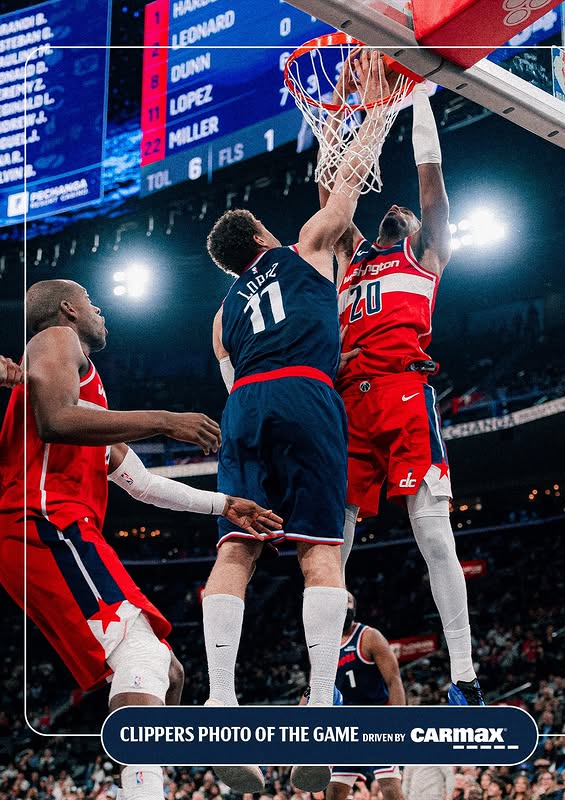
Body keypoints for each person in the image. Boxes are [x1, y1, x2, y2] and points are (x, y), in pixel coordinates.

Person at [0, 279, 282, 800]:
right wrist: (165, 421)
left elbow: (145, 486)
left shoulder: (87, 396)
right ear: (67, 310)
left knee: (167, 672)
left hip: (49, 530)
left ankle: (177, 757)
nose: (100, 311)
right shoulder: (55, 340)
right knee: (144, 657)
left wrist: (226, 505)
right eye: (91, 302)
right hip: (44, 522)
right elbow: (56, 420)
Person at [203, 51, 391, 794]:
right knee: (319, 552)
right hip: (306, 392)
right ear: (261, 237)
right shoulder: (307, 245)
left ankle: (221, 707)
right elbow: (344, 186)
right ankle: (319, 706)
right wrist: (376, 105)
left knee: (239, 550)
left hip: (243, 399)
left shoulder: (220, 315)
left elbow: (230, 373)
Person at [320, 76, 482, 704]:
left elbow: (430, 180)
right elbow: (331, 188)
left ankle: (464, 675)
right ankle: (322, 676)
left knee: (433, 530)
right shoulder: (354, 254)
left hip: (403, 394)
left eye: (408, 214)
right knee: (334, 534)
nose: (399, 212)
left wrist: (416, 98)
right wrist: (337, 115)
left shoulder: (425, 251)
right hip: (347, 403)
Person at [328, 592, 405, 800]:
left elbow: (394, 680)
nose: (345, 605)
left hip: (376, 721)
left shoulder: (369, 636)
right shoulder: (324, 646)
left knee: (389, 786)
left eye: (350, 602)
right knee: (334, 791)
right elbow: (312, 688)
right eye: (341, 601)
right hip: (346, 729)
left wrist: (401, 720)